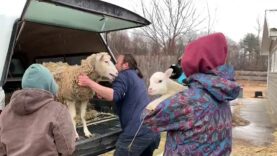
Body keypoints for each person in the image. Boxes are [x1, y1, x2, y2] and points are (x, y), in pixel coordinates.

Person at [143, 33, 240, 155]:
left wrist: (170, 94)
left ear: (193, 60)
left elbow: (147, 118)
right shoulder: (221, 92)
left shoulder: (189, 100)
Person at [78, 54, 160, 156]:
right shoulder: (136, 76)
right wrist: (103, 94)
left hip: (137, 133)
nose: (115, 65)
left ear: (125, 65)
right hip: (153, 130)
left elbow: (114, 95)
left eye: (117, 62)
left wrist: (89, 82)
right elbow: (122, 94)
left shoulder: (123, 75)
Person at [0, 64, 76, 156]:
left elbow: (2, 150)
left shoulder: (5, 112)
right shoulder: (58, 111)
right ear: (49, 84)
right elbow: (67, 148)